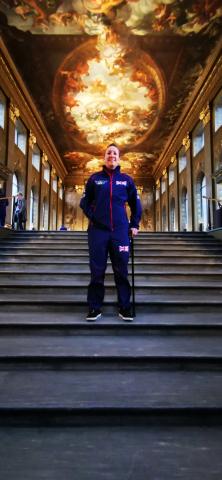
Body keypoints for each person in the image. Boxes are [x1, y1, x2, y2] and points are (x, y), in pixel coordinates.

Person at [80, 143, 142, 322]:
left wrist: (134, 224)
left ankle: (125, 307)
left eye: (115, 153)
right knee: (97, 271)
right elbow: (84, 203)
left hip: (121, 232)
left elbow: (135, 205)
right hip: (97, 232)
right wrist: (95, 217)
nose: (112, 155)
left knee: (121, 270)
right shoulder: (94, 179)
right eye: (109, 153)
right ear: (104, 157)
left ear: (119, 157)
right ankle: (94, 307)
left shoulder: (127, 180)